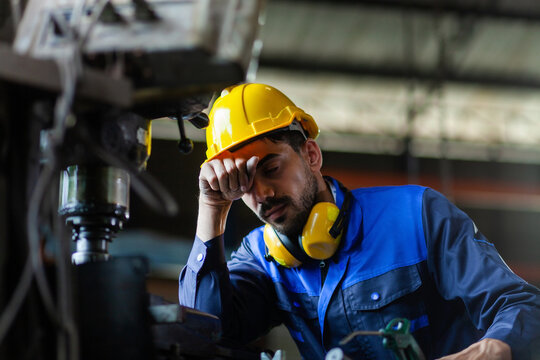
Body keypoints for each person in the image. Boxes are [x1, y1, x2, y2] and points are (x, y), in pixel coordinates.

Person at [178, 83, 540, 359]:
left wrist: (491, 349)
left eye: (271, 169)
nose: (262, 194)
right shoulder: (260, 258)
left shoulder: (416, 215)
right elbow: (204, 336)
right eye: (243, 184)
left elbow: (522, 306)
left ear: (311, 155)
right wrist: (211, 207)